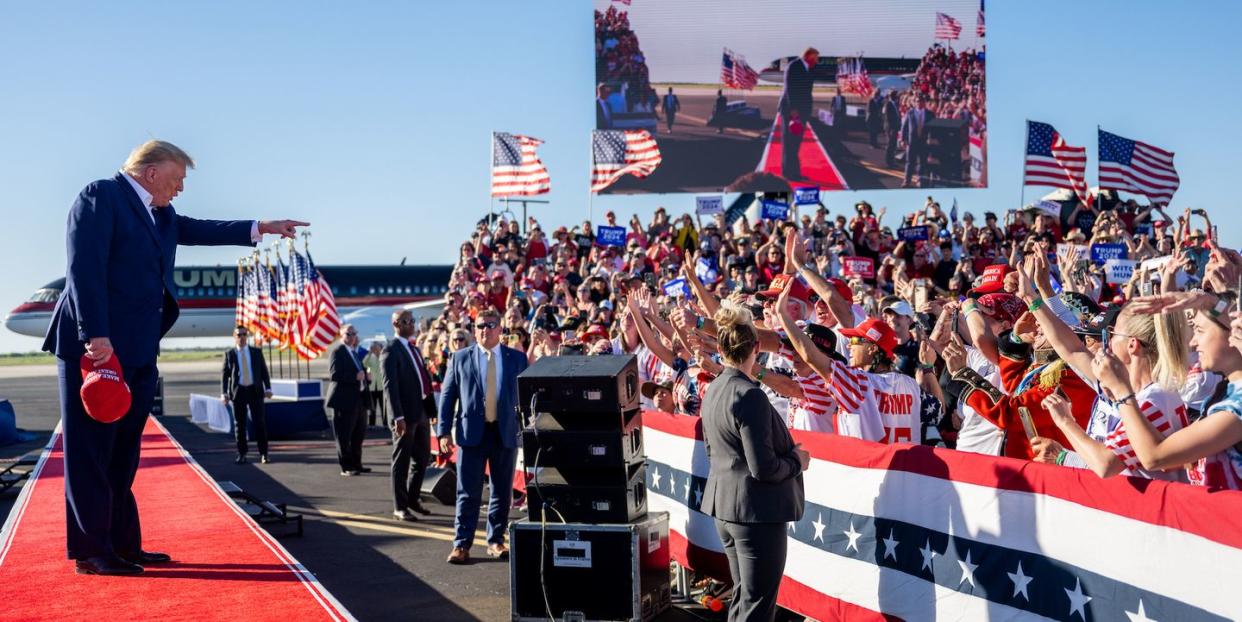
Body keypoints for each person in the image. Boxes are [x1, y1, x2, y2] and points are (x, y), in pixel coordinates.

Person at [43, 140, 306, 575]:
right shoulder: (101, 196)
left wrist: (262, 226)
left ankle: (124, 545)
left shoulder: (161, 214)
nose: (180, 188)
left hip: (140, 348)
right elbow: (83, 268)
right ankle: (92, 551)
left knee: (123, 455)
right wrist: (96, 336)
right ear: (150, 171)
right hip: (97, 349)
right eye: (177, 178)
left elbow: (203, 229)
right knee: (91, 454)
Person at [700, 302, 808, 622]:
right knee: (757, 605)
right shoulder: (750, 395)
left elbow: (712, 452)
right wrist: (797, 461)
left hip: (726, 509)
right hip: (755, 515)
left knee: (744, 598)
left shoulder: (714, 388)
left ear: (720, 348)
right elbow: (764, 468)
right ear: (757, 349)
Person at [437, 308, 529, 564]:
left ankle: (496, 540)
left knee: (501, 491)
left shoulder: (516, 359)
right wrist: (443, 431)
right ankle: (461, 544)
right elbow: (447, 396)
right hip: (470, 434)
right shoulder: (460, 358)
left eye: (490, 325)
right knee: (467, 492)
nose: (484, 330)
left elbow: (525, 397)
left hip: (504, 433)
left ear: (500, 329)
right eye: (479, 326)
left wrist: (526, 428)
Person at [382, 309, 438, 522]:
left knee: (422, 459)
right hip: (404, 416)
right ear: (397, 324)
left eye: (413, 320)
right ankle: (400, 506)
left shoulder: (413, 349)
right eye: (408, 321)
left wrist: (431, 411)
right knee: (401, 461)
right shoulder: (391, 350)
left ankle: (413, 499)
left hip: (421, 412)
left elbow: (424, 380)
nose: (412, 324)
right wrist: (397, 417)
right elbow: (390, 387)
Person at [221, 325, 272, 464]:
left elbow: (263, 372)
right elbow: (225, 376)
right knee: (240, 425)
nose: (242, 337)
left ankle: (264, 454)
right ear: (234, 337)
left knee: (259, 423)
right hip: (239, 393)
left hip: (255, 391)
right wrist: (224, 393)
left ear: (247, 336)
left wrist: (268, 388)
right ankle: (242, 453)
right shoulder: (230, 354)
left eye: (244, 334)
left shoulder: (256, 352)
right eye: (239, 335)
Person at [326, 324, 369, 476]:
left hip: (359, 399)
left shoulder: (354, 352)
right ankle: (346, 467)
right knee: (344, 435)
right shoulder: (338, 352)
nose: (352, 337)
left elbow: (360, 373)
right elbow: (334, 375)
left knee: (358, 435)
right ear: (341, 335)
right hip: (344, 401)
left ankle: (357, 464)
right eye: (348, 334)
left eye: (354, 334)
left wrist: (365, 376)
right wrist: (354, 377)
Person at [778, 48, 818, 180]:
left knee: (795, 143)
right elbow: (790, 88)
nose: (817, 60)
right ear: (808, 56)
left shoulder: (809, 68)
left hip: (802, 110)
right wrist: (794, 110)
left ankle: (794, 172)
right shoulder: (794, 66)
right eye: (815, 57)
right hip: (792, 110)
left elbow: (806, 90)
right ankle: (789, 173)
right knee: (790, 142)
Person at [901, 96, 934, 187]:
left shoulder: (930, 114)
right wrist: (903, 139)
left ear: (924, 102)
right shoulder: (910, 113)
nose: (919, 103)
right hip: (912, 141)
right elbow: (904, 127)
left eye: (921, 101)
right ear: (915, 102)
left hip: (924, 141)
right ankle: (907, 181)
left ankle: (920, 180)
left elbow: (933, 128)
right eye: (917, 101)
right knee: (910, 162)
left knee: (922, 162)